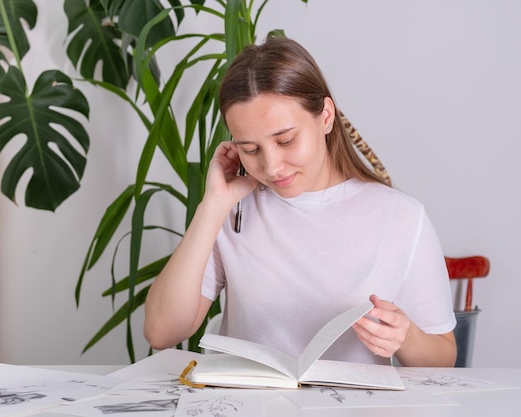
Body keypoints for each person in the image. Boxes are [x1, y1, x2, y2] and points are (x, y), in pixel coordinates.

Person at [144, 36, 457, 367]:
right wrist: (212, 207)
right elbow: (161, 332)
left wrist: (405, 338)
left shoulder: (402, 217)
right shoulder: (233, 210)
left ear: (325, 117)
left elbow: (444, 358)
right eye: (250, 149)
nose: (272, 166)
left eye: (286, 140)